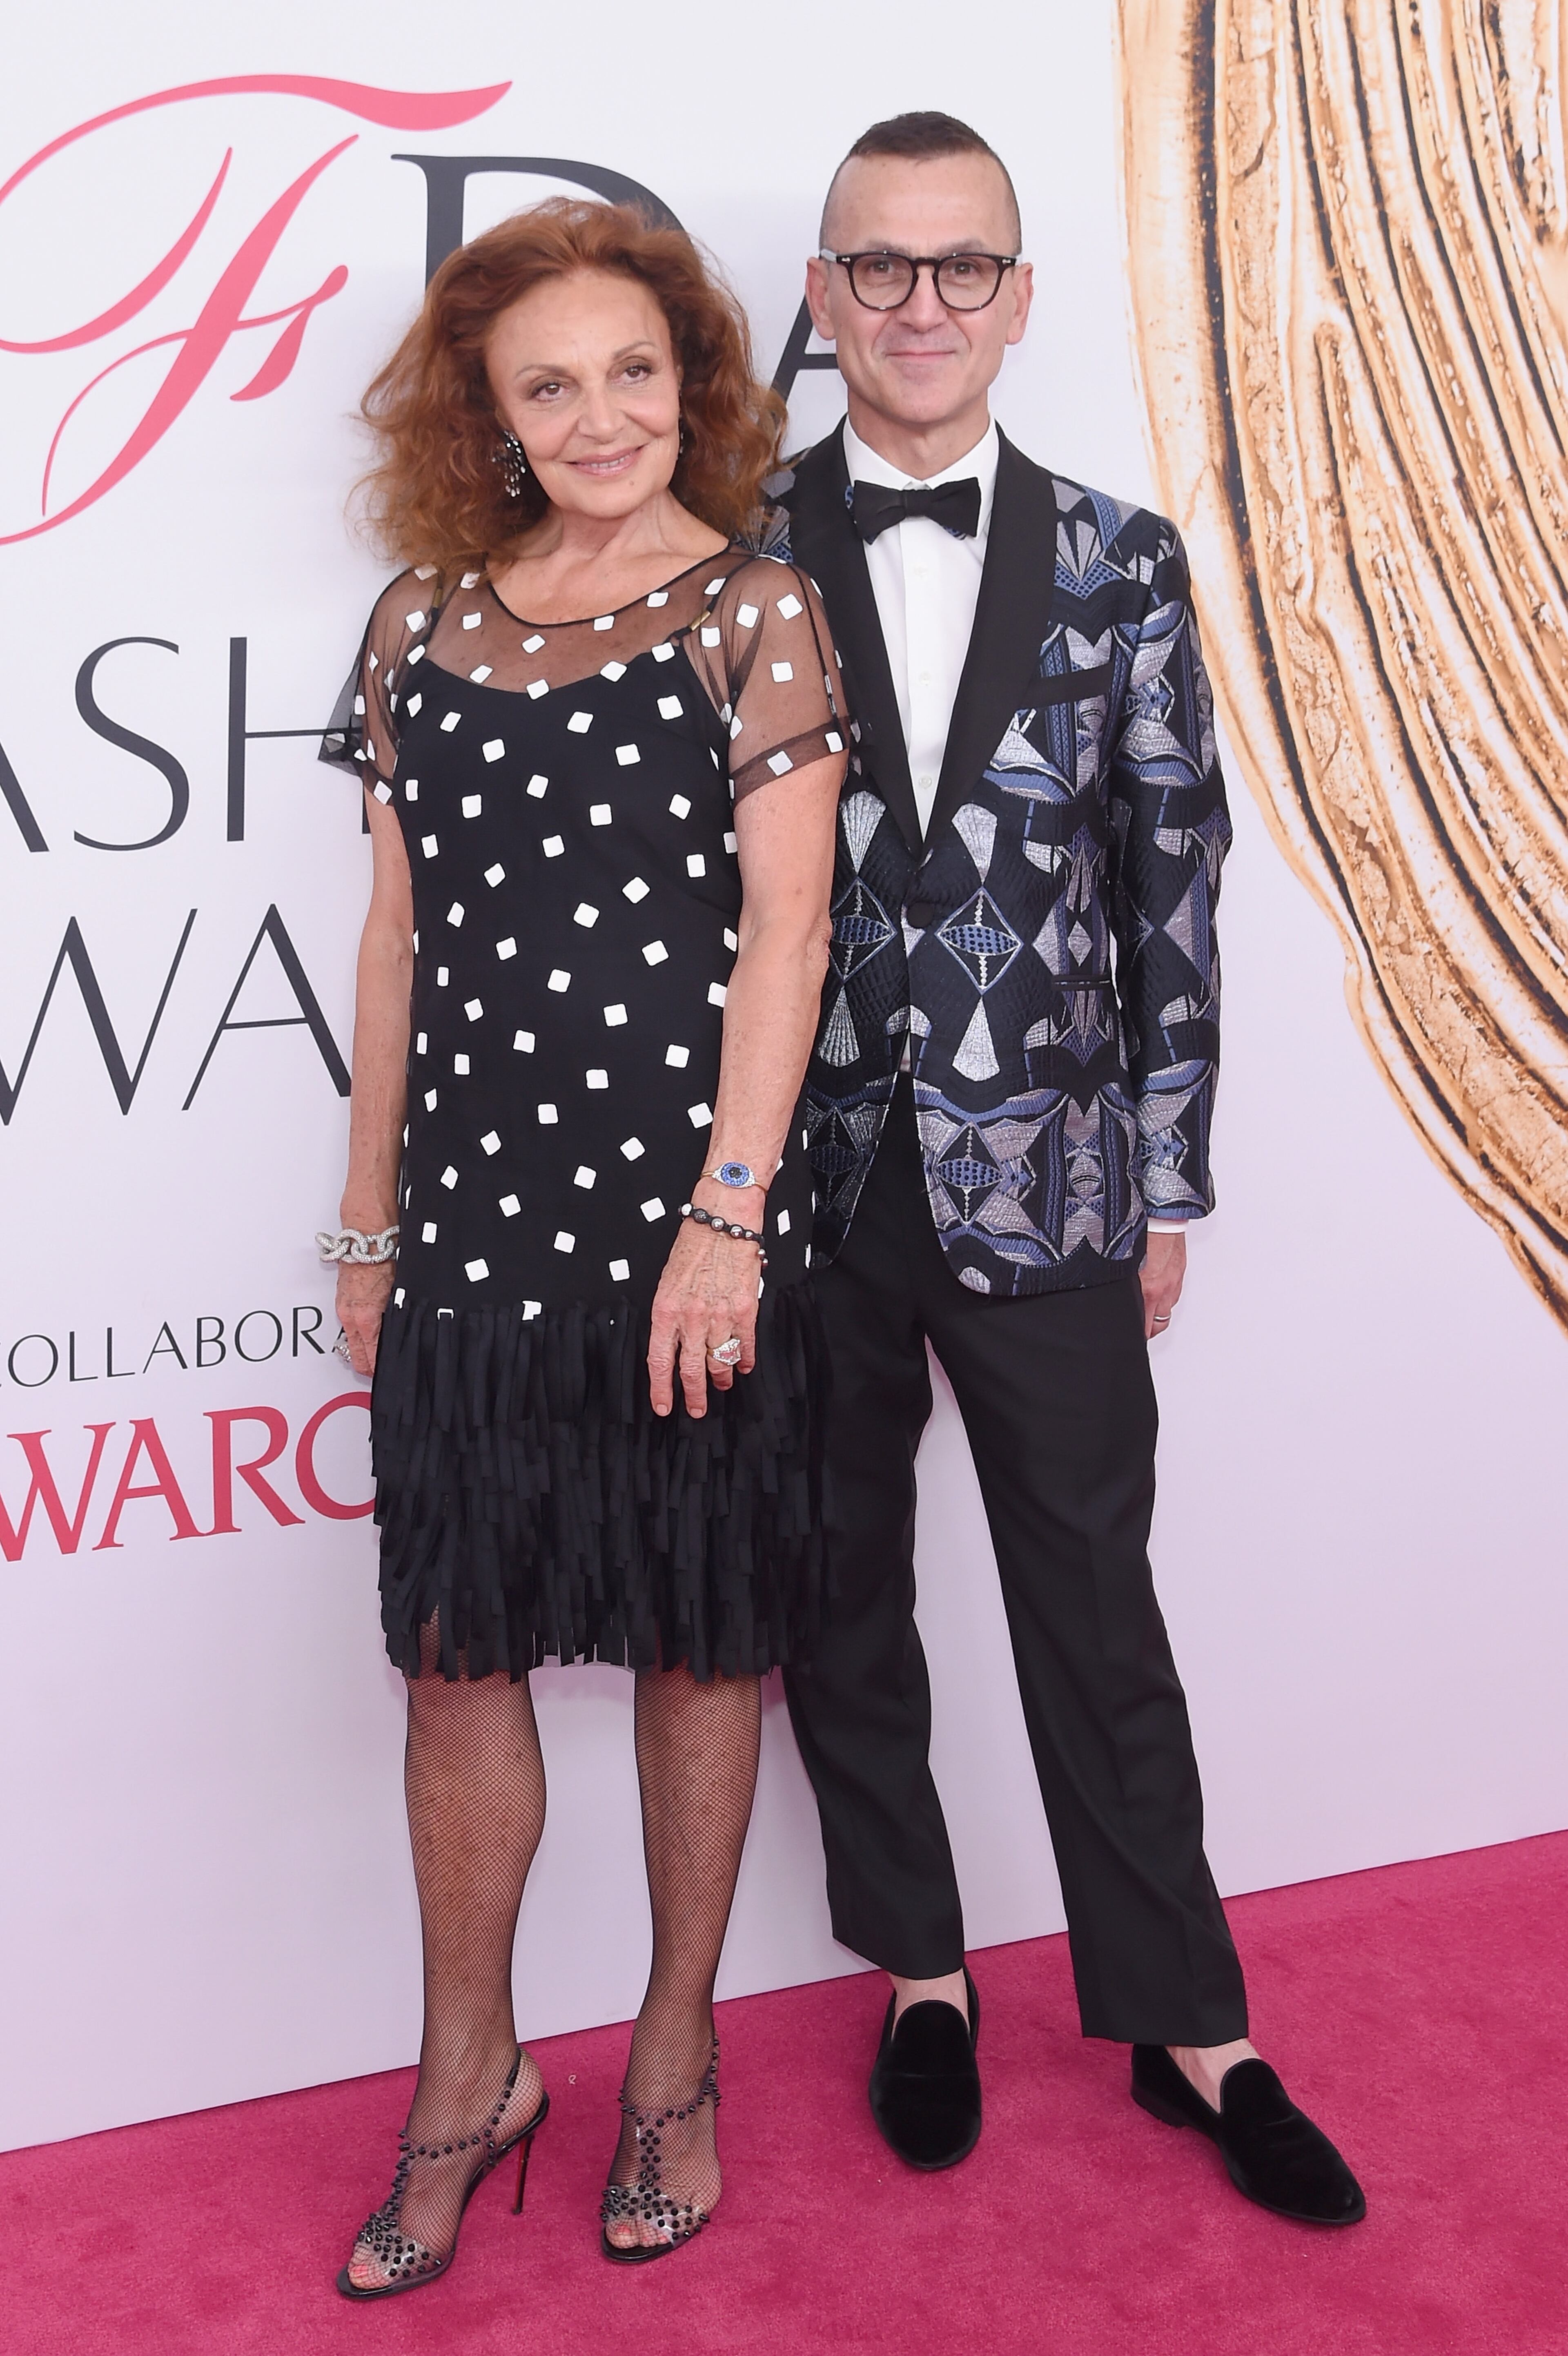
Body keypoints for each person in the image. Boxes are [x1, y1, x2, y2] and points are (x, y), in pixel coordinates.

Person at [771, 113, 1365, 2225]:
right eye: (882, 266)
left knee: (1091, 1605)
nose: (922, 303)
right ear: (829, 296)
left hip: (1061, 1183)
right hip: (808, 1188)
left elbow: (1171, 880)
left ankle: (1193, 2019)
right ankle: (921, 1971)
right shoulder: (729, 546)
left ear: (1019, 298)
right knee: (837, 1593)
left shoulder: (1124, 553)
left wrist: (1170, 1178)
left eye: (963, 267)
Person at [318, 196, 845, 2294]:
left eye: (636, 370)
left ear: (690, 387)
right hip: (468, 1222)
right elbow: (393, 944)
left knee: (701, 1636)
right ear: (492, 417)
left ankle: (674, 2053)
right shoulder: (417, 626)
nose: (602, 413)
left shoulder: (755, 612)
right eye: (553, 383)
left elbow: (786, 936)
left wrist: (729, 1220)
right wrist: (366, 1221)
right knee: (459, 1658)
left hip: (679, 1226)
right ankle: (471, 2070)